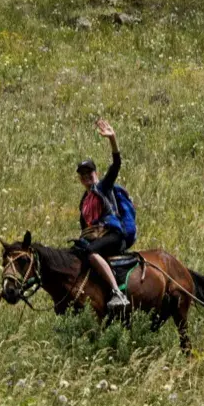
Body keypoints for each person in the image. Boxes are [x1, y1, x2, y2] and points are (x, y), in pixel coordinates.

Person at [73, 118, 136, 312]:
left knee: (90, 252)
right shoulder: (84, 201)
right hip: (96, 239)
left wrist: (112, 139)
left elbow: (116, 165)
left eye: (89, 172)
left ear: (96, 173)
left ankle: (118, 293)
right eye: (83, 174)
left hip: (114, 235)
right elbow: (85, 228)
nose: (86, 176)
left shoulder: (103, 187)